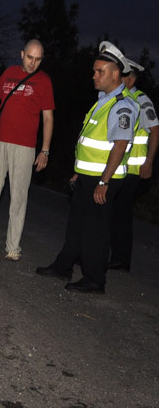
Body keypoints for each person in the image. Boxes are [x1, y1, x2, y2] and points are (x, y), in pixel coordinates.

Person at [36, 41, 139, 293]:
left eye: (99, 71)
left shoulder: (121, 106)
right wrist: (77, 171)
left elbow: (120, 146)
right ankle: (63, 267)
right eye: (94, 71)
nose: (94, 76)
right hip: (88, 175)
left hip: (103, 179)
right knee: (77, 225)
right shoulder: (103, 101)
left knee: (95, 231)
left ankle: (95, 280)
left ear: (115, 73)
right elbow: (89, 140)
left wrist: (104, 181)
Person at [0, 40, 54, 261]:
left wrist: (44, 150)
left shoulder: (44, 81)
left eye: (38, 59)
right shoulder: (9, 73)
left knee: (18, 197)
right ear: (22, 54)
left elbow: (48, 117)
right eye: (29, 57)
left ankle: (13, 247)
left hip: (25, 147)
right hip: (0, 141)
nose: (33, 62)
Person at [108, 52, 159, 272]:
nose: (120, 77)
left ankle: (121, 259)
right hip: (121, 167)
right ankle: (115, 256)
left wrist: (149, 163)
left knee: (120, 211)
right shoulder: (120, 99)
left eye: (125, 75)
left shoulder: (141, 100)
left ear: (132, 79)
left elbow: (155, 133)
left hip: (134, 169)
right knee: (114, 211)